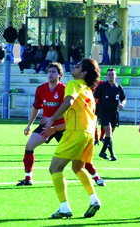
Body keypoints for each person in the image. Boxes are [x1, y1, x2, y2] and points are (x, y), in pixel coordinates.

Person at [17, 62, 104, 187]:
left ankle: (96, 176)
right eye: (49, 72)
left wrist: (52, 121)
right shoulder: (41, 89)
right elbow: (36, 107)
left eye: (53, 72)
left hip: (64, 126)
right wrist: (29, 125)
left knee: (77, 156)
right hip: (46, 125)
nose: (50, 74)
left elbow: (71, 105)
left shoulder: (66, 88)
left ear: (60, 75)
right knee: (29, 145)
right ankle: (28, 177)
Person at [43, 58, 101, 219]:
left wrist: (51, 119)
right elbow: (80, 119)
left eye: (78, 66)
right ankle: (94, 199)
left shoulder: (73, 85)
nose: (74, 67)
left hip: (75, 134)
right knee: (78, 168)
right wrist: (56, 128)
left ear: (84, 73)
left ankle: (63, 207)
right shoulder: (88, 90)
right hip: (87, 134)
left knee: (54, 169)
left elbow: (69, 101)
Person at [95, 68, 126, 161]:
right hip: (104, 112)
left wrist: (122, 104)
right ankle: (111, 154)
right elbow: (94, 97)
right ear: (106, 76)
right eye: (109, 74)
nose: (110, 76)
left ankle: (104, 152)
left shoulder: (118, 87)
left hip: (114, 113)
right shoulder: (102, 86)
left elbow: (123, 98)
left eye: (112, 74)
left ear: (115, 76)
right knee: (108, 131)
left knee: (110, 134)